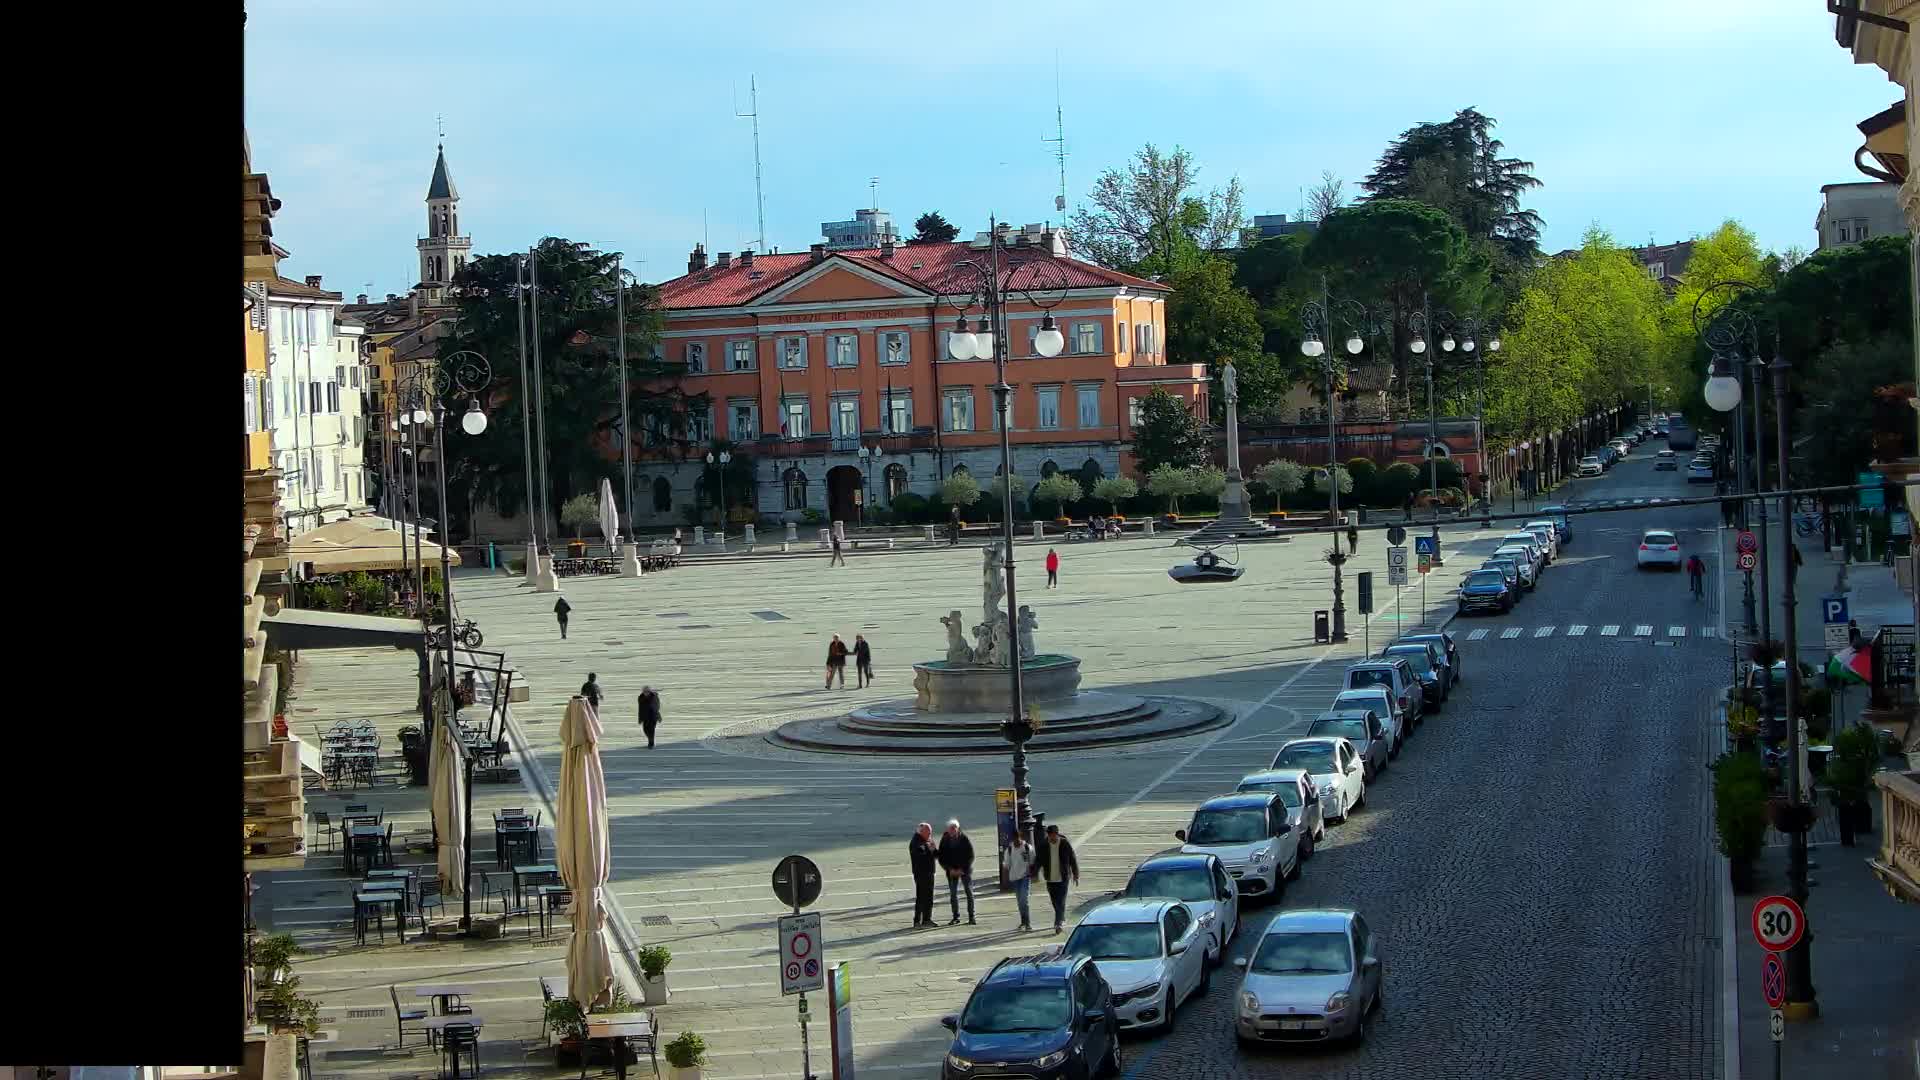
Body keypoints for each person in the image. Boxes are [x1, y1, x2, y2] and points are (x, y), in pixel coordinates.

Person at [1033, 823, 1079, 934]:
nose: (1052, 837)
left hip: (1063, 877)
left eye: (1054, 835)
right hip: (1050, 878)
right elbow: (1038, 860)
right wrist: (1033, 873)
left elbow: (1072, 859)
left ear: (1057, 834)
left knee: (1061, 900)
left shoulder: (1064, 843)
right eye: (1050, 835)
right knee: (1054, 901)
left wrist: (1075, 874)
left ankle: (1058, 923)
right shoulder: (1044, 845)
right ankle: (1061, 917)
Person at [937, 819, 976, 925]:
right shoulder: (945, 840)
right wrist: (949, 869)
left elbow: (971, 856)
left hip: (964, 870)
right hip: (951, 871)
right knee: (953, 894)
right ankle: (956, 917)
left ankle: (972, 916)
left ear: (958, 829)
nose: (952, 830)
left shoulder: (964, 838)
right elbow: (941, 857)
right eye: (951, 828)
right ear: (948, 830)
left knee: (969, 892)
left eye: (954, 828)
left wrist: (962, 869)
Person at [1003, 827, 1035, 931]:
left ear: (1020, 837)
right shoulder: (1009, 850)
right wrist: (1005, 880)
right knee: (1019, 901)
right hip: (1015, 878)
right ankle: (1023, 921)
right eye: (1014, 838)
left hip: (1025, 877)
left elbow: (1032, 861)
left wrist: (1031, 872)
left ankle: (1028, 922)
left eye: (1017, 838)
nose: (1016, 840)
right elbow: (1007, 865)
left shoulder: (1027, 848)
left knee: (1024, 900)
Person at [908, 822, 937, 929]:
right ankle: (917, 921)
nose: (930, 834)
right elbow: (920, 852)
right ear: (921, 832)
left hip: (929, 872)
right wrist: (928, 846)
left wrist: (933, 849)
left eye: (930, 832)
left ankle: (927, 920)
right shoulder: (916, 841)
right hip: (921, 874)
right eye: (928, 832)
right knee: (921, 897)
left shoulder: (927, 840)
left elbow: (935, 854)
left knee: (929, 897)